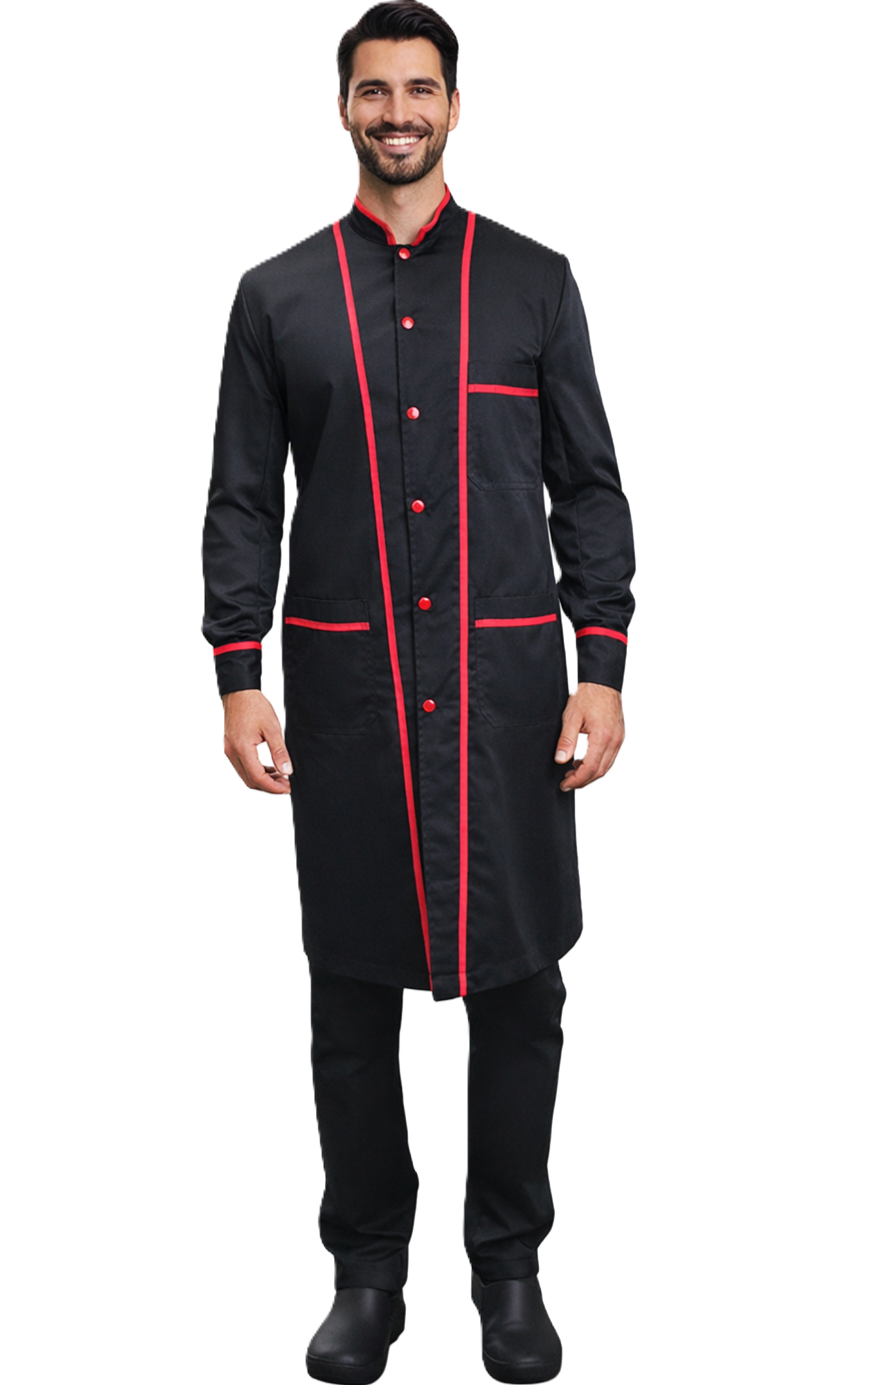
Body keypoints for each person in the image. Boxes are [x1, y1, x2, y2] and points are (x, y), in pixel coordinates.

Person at [201, 3, 635, 1380]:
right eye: (375, 90)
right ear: (343, 107)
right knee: (348, 997)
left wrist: (602, 665)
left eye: (421, 89)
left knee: (522, 990)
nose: (398, 112)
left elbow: (588, 488)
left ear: (456, 105)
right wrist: (236, 674)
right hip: (350, 697)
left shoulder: (533, 282)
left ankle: (508, 1270)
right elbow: (240, 502)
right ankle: (367, 1275)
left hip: (507, 696)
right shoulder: (277, 296)